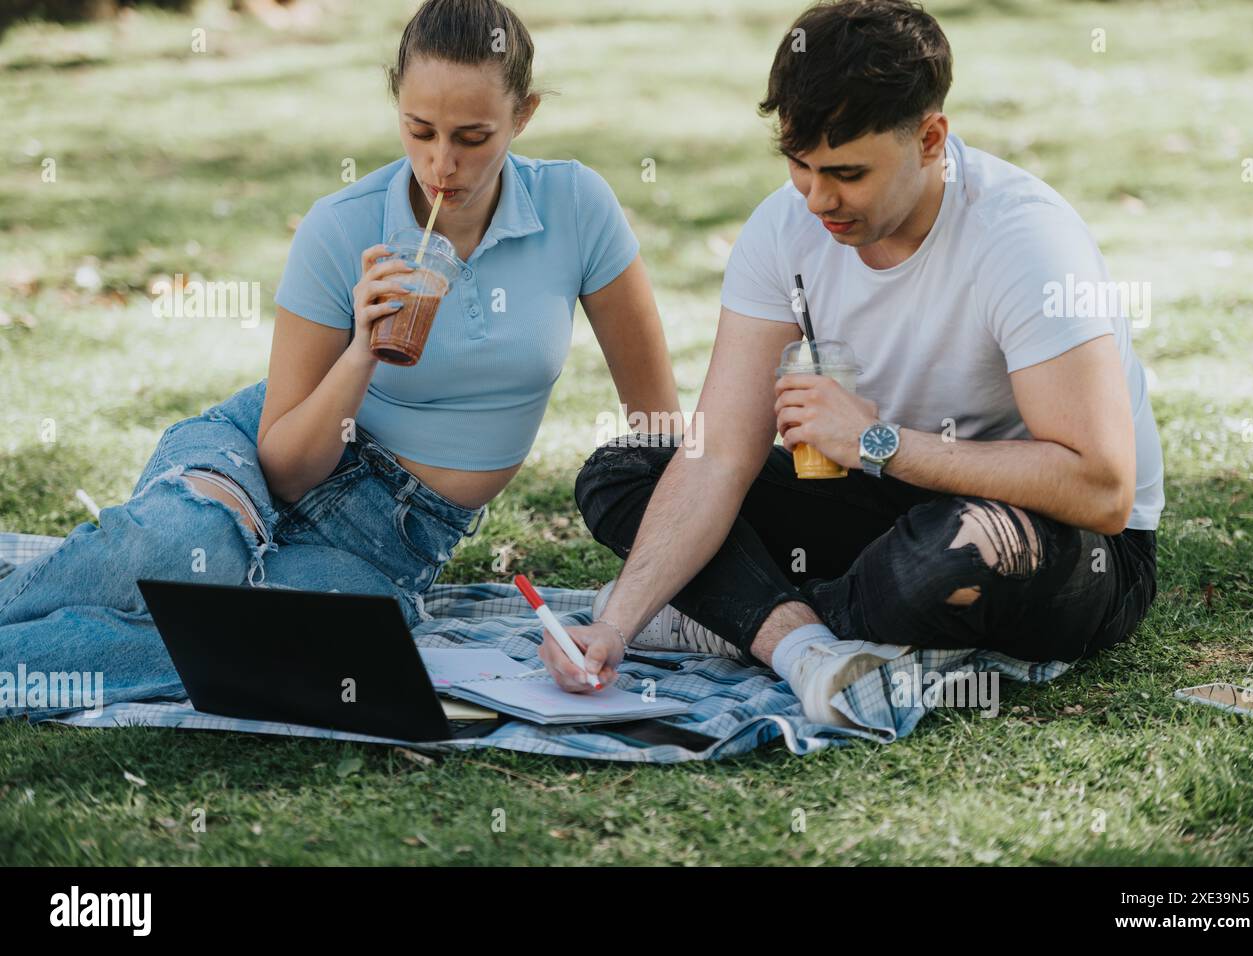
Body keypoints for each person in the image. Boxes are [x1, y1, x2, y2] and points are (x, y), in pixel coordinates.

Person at [0, 0, 680, 720]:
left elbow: (658, 428)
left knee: (274, 639)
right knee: (182, 543)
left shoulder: (576, 206)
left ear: (525, 114)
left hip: (394, 539)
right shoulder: (342, 224)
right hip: (261, 454)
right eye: (420, 130)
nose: (441, 163)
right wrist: (361, 350)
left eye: (473, 136)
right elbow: (286, 467)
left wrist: (640, 605)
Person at [546, 0, 1164, 727]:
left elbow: (1101, 488)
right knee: (628, 470)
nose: (816, 199)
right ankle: (797, 640)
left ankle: (728, 613)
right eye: (799, 166)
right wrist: (616, 627)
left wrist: (880, 442)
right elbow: (716, 458)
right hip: (881, 503)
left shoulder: (1026, 242)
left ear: (931, 138)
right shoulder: (784, 227)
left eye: (846, 173)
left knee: (939, 562)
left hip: (1066, 542)